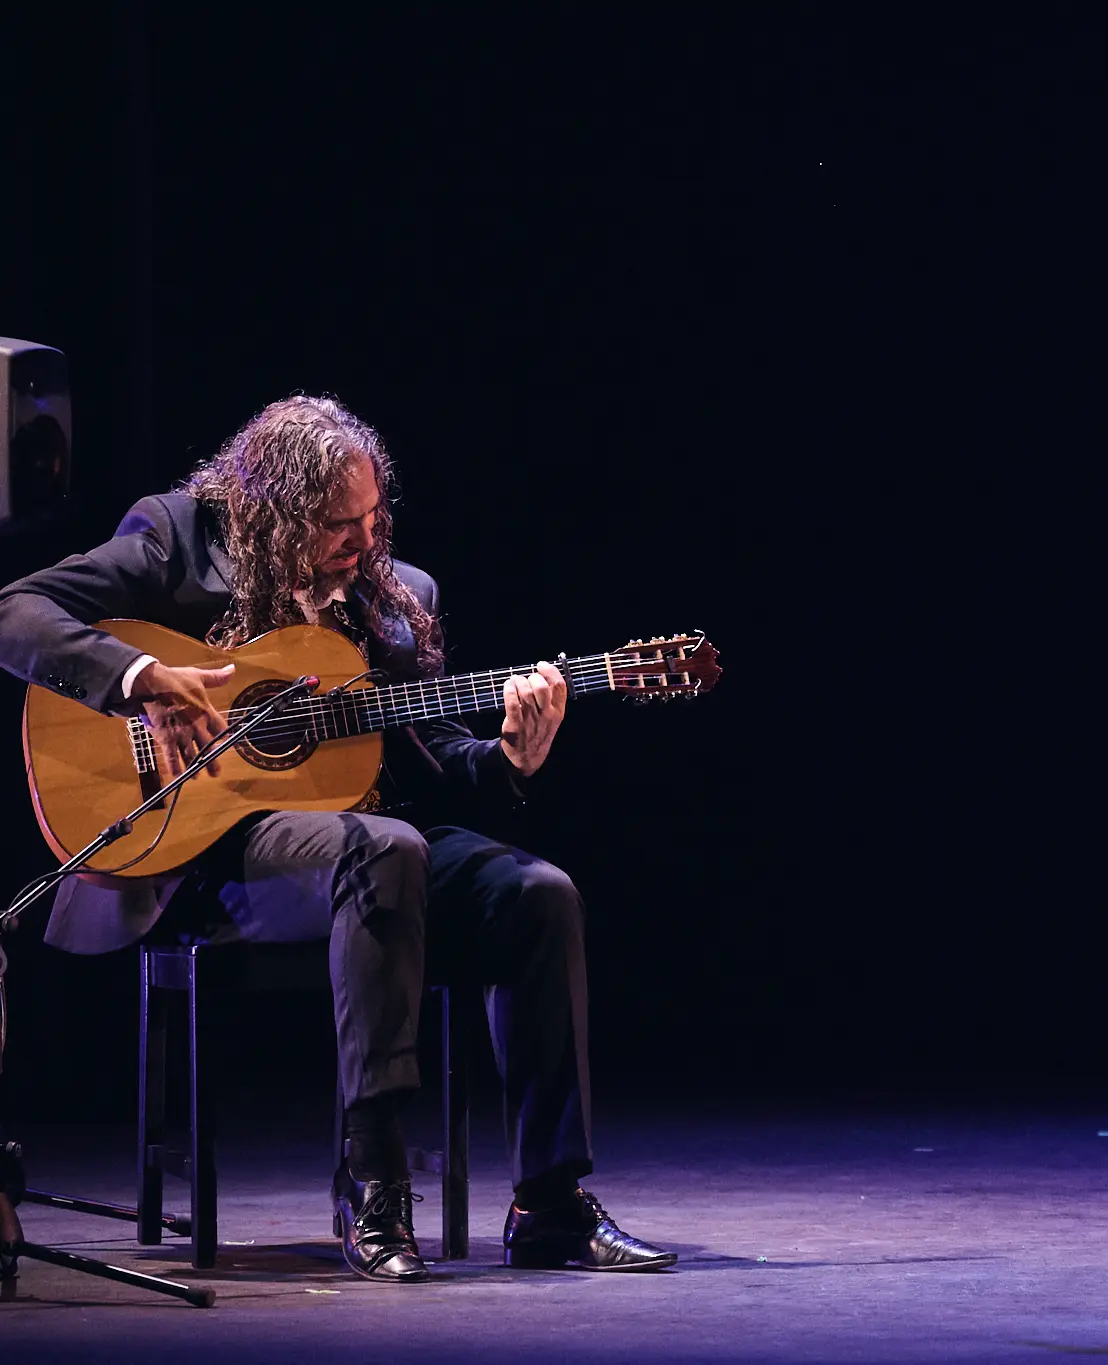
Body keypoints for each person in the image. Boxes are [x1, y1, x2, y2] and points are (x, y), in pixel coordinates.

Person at [0, 395, 676, 1281]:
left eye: (372, 519)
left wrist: (511, 757)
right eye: (336, 526)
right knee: (384, 845)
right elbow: (17, 611)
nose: (363, 544)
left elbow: (438, 763)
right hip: (211, 852)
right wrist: (139, 676)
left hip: (369, 851)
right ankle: (374, 1180)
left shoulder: (395, 600)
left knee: (537, 893)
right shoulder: (181, 541)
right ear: (274, 514)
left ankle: (547, 1201)